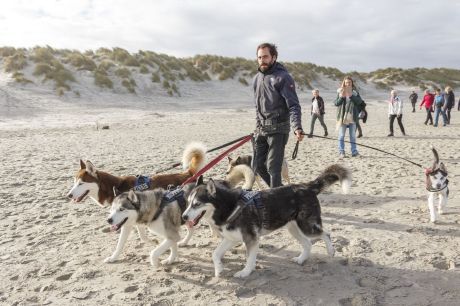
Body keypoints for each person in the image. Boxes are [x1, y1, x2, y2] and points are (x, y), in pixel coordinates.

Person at [253, 42, 303, 187]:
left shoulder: (283, 77)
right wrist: (257, 127)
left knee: (273, 168)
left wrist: (297, 127)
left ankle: (276, 199)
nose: (262, 60)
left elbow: (293, 105)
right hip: (261, 130)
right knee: (257, 166)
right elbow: (257, 107)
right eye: (259, 57)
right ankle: (278, 192)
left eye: (265, 57)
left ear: (273, 57)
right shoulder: (256, 79)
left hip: (279, 129)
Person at [334, 76, 364, 158]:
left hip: (352, 117)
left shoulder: (355, 92)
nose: (348, 84)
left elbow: (360, 102)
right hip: (342, 117)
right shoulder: (340, 91)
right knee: (341, 135)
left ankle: (354, 152)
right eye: (346, 82)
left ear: (352, 83)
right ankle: (341, 152)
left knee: (353, 136)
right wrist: (341, 97)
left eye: (349, 82)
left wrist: (351, 96)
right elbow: (336, 103)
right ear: (344, 83)